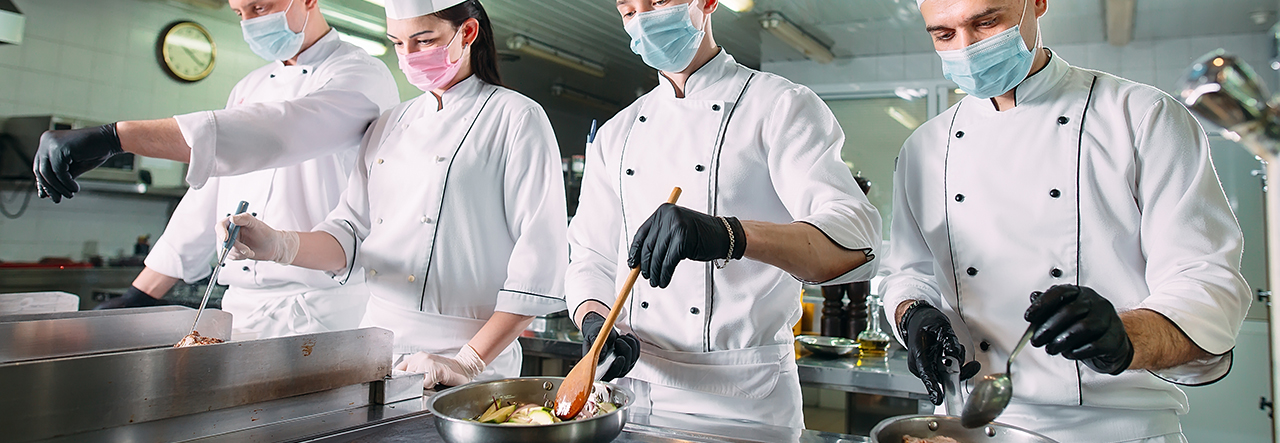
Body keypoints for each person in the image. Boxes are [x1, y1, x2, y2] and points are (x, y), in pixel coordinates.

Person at [882, 0, 1252, 441]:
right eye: (944, 35)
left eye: (986, 21)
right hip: (965, 425)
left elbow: (1206, 282)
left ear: (1036, 4)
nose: (966, 48)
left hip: (1113, 429)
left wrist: (1125, 334)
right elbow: (908, 271)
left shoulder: (1141, 116)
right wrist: (913, 315)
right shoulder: (923, 147)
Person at [564, 0, 882, 428]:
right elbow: (590, 258)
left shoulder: (779, 106)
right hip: (635, 396)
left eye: (657, 1)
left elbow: (857, 238)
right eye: (628, 10)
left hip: (747, 399)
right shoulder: (616, 133)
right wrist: (594, 321)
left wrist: (729, 235)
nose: (643, 19)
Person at [220, 0, 568, 388]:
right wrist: (278, 245)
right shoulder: (390, 123)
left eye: (423, 40)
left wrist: (467, 362)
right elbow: (350, 235)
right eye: (397, 44)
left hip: (472, 357)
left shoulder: (516, 117)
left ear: (467, 33)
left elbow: (538, 263)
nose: (409, 56)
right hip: (377, 348)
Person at [81, 0, 399, 339]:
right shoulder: (250, 87)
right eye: (239, 13)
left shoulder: (361, 74)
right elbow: (208, 197)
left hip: (323, 313)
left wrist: (120, 136)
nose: (249, 22)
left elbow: (281, 133)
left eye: (259, 7)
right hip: (240, 310)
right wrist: (141, 294)